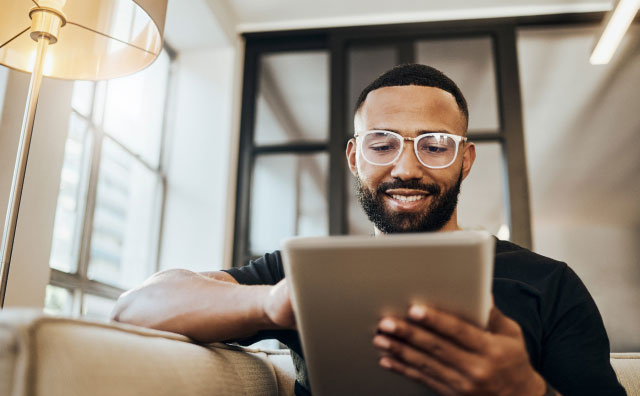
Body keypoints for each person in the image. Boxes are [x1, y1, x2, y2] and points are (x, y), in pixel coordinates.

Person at [112, 64, 626, 396]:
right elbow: (136, 308)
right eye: (383, 144)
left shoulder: (549, 284)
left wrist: (523, 391)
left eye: (435, 144)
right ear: (355, 158)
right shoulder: (303, 274)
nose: (408, 167)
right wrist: (273, 303)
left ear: (465, 160)